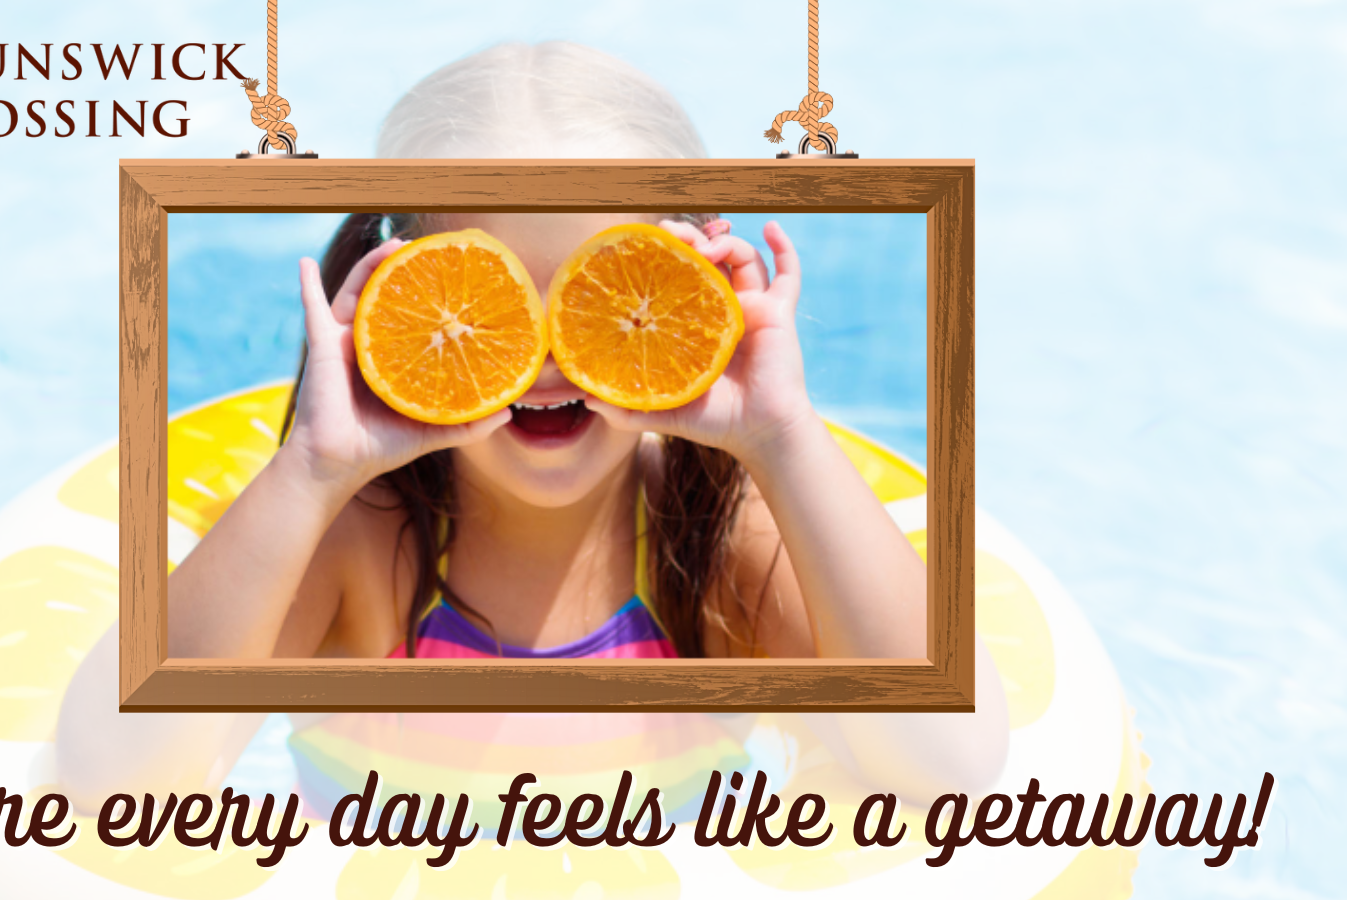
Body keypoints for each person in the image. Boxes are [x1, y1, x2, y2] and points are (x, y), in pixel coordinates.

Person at [57, 41, 1007, 816]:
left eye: (607, 292)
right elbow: (115, 787)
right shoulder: (360, 539)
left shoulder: (716, 538)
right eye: (489, 297)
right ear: (401, 292)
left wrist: (785, 436)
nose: (550, 358)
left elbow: (949, 770)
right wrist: (310, 471)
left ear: (694, 290)